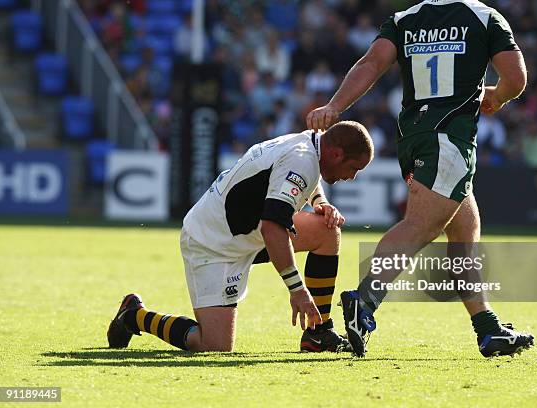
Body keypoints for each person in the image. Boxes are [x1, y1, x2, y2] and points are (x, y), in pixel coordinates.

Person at [307, 0, 534, 358]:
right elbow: (516, 79)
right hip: (450, 137)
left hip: (414, 136)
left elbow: (371, 64)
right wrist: (498, 97)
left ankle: (488, 329)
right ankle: (363, 301)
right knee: (421, 226)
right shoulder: (484, 16)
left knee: (463, 230)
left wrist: (336, 105)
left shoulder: (404, 19)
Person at [107, 121, 374, 352]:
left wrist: (319, 202)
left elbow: (301, 180)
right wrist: (297, 289)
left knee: (326, 229)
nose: (352, 177)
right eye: (354, 168)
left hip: (246, 232)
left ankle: (319, 332)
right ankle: (134, 316)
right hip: (212, 243)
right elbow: (272, 227)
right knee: (213, 346)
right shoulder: (302, 158)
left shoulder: (310, 142)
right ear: (337, 154)